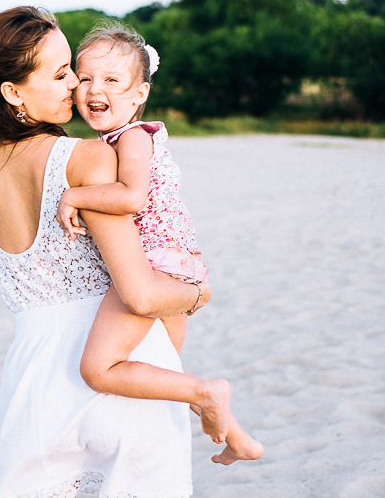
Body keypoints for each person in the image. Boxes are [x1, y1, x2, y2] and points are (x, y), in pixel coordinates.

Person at [0, 6, 207, 498]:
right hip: (117, 371)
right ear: (12, 91)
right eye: (63, 75)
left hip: (32, 382)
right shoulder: (88, 157)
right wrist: (197, 294)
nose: (75, 90)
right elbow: (141, 297)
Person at [56, 24, 263, 466]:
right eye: (85, 77)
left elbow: (130, 198)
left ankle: (212, 392)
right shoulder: (113, 140)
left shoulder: (131, 138)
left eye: (112, 80)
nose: (95, 89)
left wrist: (74, 195)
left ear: (139, 94)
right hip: (178, 265)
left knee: (99, 369)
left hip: (153, 266)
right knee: (162, 370)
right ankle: (240, 438)